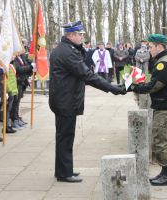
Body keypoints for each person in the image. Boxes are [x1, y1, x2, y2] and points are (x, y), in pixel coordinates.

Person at [49, 21, 125, 183]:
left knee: (65, 137)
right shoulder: (67, 53)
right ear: (71, 35)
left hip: (64, 100)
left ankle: (64, 170)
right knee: (65, 137)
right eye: (80, 35)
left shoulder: (67, 49)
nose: (82, 37)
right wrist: (112, 88)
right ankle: (64, 173)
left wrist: (80, 48)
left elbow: (83, 63)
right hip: (65, 101)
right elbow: (87, 75)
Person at [131, 34, 167, 186]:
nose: (148, 50)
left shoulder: (164, 64)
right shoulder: (164, 60)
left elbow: (154, 86)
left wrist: (134, 86)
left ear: (159, 46)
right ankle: (165, 171)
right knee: (161, 139)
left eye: (150, 47)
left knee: (162, 140)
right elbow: (155, 82)